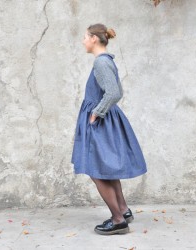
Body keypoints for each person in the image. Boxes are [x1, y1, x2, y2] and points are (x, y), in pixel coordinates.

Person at [71, 23, 147, 235]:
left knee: (97, 171)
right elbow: (118, 90)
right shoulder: (107, 61)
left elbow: (113, 93)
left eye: (85, 37)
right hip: (105, 120)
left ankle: (117, 220)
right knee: (106, 169)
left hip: (100, 122)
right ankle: (123, 209)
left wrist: (96, 113)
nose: (83, 41)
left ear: (94, 38)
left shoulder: (101, 63)